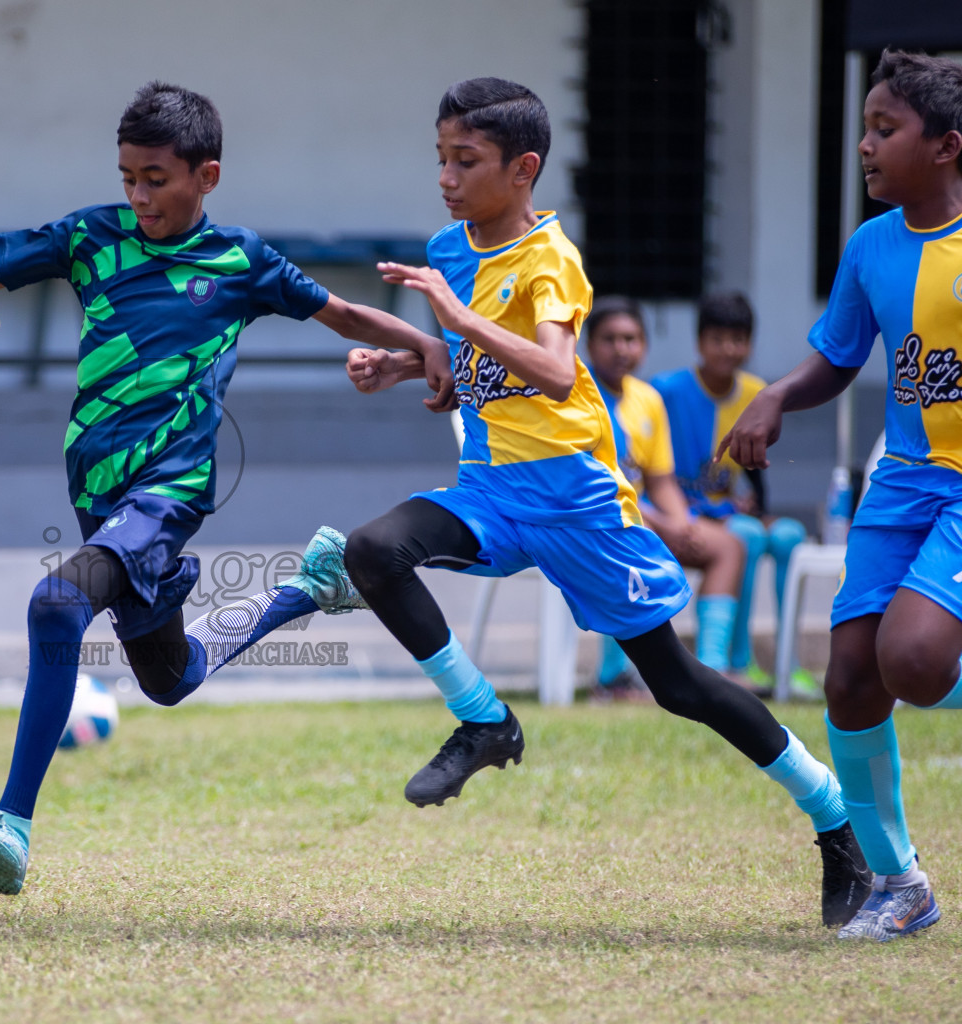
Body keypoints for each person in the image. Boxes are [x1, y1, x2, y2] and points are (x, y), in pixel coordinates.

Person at [196, 77, 869, 928]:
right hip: (490, 491)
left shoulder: (553, 259)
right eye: (439, 157)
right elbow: (466, 370)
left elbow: (552, 371)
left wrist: (449, 321)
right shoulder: (449, 250)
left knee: (679, 685)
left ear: (524, 170)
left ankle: (833, 818)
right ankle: (485, 722)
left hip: (577, 499)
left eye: (465, 160)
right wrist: (405, 366)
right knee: (371, 549)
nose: (445, 176)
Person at [0, 81, 449, 894]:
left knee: (57, 604)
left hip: (169, 492)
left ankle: (10, 822)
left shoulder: (241, 261)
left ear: (208, 176)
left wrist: (425, 346)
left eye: (156, 178)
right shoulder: (92, 236)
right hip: (98, 495)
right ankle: (309, 584)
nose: (138, 194)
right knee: (171, 679)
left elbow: (341, 313)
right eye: (128, 176)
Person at [722, 48, 962, 942]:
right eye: (865, 127)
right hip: (898, 485)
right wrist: (780, 394)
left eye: (884, 130)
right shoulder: (871, 246)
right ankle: (901, 886)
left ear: (946, 146)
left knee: (915, 659)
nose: (864, 146)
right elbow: (838, 355)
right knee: (853, 680)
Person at [583, 296, 745, 697]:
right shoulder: (575, 395)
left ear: (644, 346)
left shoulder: (648, 398)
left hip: (645, 517)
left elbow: (660, 480)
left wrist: (682, 523)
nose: (622, 349)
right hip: (596, 521)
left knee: (727, 547)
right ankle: (613, 677)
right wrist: (660, 522)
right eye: (610, 339)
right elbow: (593, 487)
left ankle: (711, 672)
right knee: (624, 541)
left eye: (631, 339)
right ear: (588, 345)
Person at [652, 294, 813, 693]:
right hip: (682, 511)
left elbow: (757, 467)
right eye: (719, 339)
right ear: (699, 342)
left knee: (789, 535)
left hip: (725, 509)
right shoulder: (666, 391)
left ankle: (786, 664)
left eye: (739, 339)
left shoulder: (756, 392)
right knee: (750, 536)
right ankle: (739, 661)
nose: (729, 349)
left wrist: (763, 509)